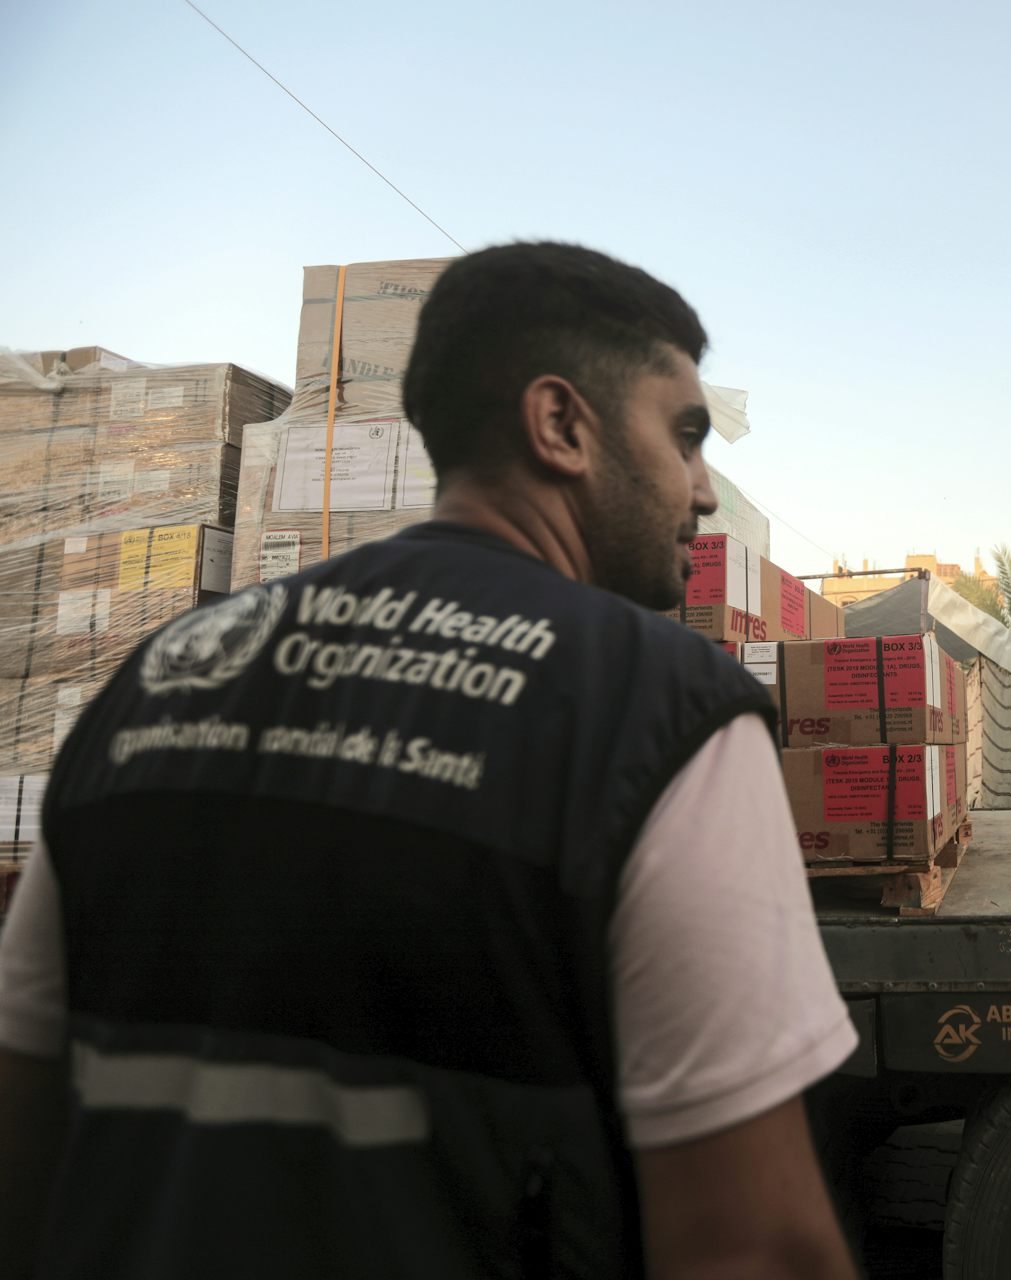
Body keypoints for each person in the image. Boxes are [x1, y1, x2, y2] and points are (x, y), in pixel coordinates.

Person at [0, 243, 861, 1277]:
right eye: (684, 437)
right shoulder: (660, 710)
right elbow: (753, 1247)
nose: (704, 489)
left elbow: (25, 1145)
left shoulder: (156, 678)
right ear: (562, 426)